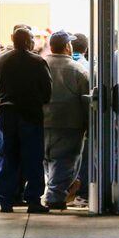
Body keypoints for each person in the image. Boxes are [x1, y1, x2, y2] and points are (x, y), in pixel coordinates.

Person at [0, 26, 52, 213]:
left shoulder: (1, 61)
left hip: (6, 114)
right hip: (30, 115)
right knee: (33, 158)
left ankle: (5, 200)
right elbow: (47, 92)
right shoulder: (37, 62)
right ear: (28, 42)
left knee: (8, 157)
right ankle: (33, 200)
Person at [43, 30, 90, 210]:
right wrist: (88, 125)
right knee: (65, 161)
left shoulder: (41, 65)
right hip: (70, 124)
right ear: (67, 47)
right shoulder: (78, 70)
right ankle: (55, 197)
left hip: (43, 122)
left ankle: (54, 191)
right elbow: (86, 101)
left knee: (47, 160)